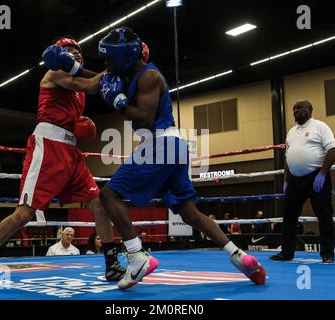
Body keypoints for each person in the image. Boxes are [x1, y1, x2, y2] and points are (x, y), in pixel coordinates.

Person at [96, 26, 266, 290]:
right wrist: (70, 68)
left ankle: (136, 255)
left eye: (109, 58)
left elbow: (144, 117)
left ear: (125, 56)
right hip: (172, 147)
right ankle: (238, 255)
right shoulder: (127, 76)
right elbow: (91, 81)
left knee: (108, 195)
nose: (106, 64)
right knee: (189, 212)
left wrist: (117, 101)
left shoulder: (149, 76)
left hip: (161, 143)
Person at [0, 36, 126, 290]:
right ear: (60, 54)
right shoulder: (54, 73)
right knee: (24, 214)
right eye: (69, 50)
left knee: (98, 202)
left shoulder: (77, 88)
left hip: (72, 152)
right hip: (48, 147)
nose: (75, 54)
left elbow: (88, 86)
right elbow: (93, 84)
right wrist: (118, 69)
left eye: (78, 51)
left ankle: (112, 265)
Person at [270, 100, 335, 263]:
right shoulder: (291, 132)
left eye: (299, 108)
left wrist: (322, 173)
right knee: (289, 217)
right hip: (294, 180)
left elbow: (333, 149)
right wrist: (286, 181)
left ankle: (328, 254)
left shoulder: (320, 126)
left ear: (309, 109)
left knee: (324, 215)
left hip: (316, 177)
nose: (295, 111)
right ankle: (286, 253)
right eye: (293, 109)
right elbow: (288, 157)